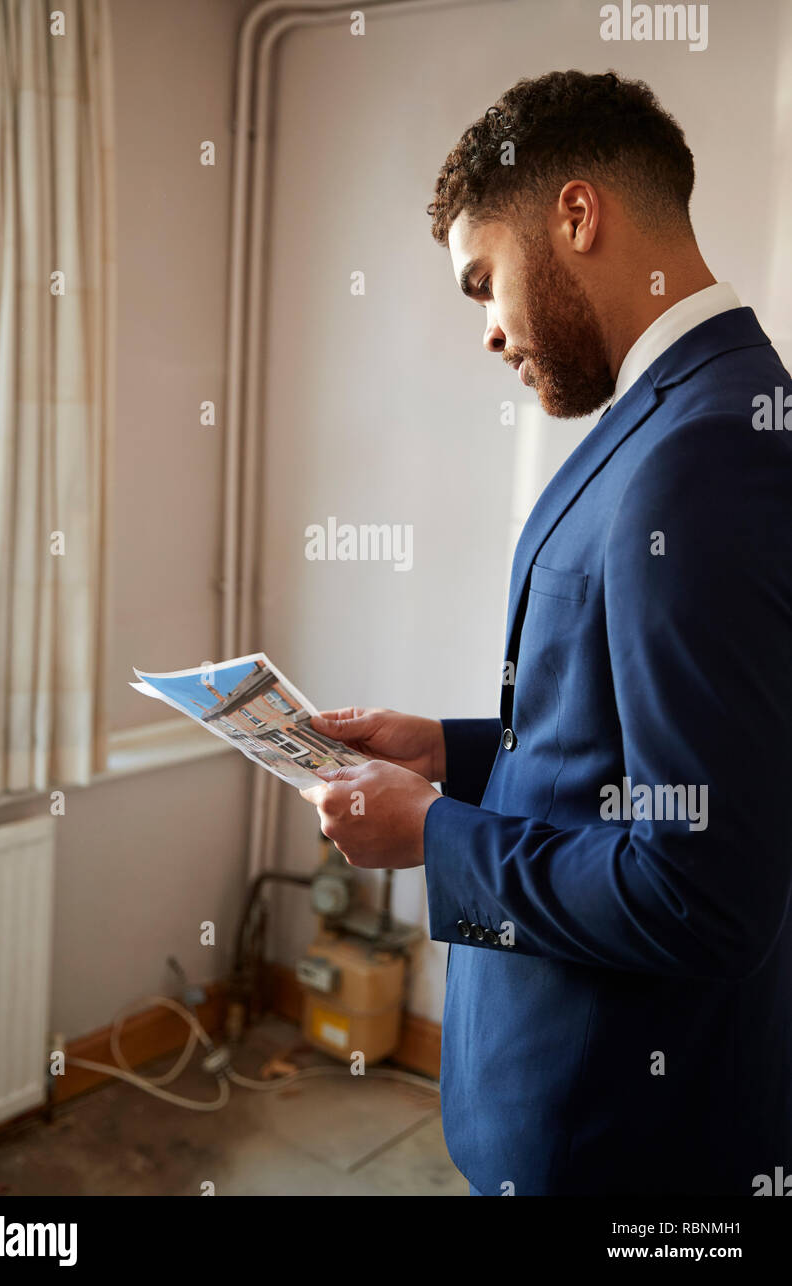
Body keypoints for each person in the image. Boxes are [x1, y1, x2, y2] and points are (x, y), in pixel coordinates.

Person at [299, 70, 792, 1196]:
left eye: (483, 283)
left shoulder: (702, 455)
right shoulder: (678, 415)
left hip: (613, 1130)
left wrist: (430, 835)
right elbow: (638, 753)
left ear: (575, 216)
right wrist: (454, 751)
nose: (486, 331)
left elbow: (703, 890)